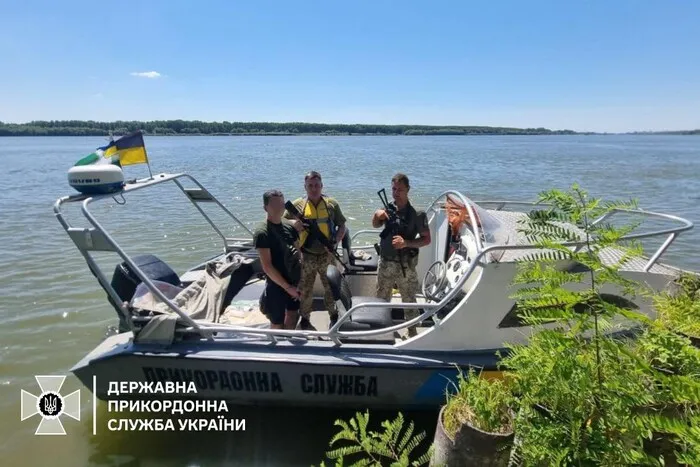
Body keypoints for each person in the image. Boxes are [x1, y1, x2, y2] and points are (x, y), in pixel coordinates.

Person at [285, 171, 347, 330]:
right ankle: (305, 319)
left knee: (331, 289)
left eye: (317, 185)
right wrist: (294, 223)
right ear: (305, 187)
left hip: (327, 255)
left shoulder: (331, 204)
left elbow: (342, 226)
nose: (314, 189)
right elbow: (282, 221)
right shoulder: (298, 205)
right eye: (310, 186)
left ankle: (333, 316)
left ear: (322, 186)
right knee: (306, 290)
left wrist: (335, 241)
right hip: (307, 256)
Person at [372, 173, 431, 337]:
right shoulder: (388, 209)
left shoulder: (418, 215)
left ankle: (412, 332)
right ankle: (381, 332)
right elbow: (375, 224)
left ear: (408, 190)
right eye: (394, 189)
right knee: (381, 299)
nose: (396, 193)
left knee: (409, 301)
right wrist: (377, 215)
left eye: (400, 189)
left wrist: (406, 243)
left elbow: (426, 240)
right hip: (386, 263)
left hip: (406, 265)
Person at [253, 189, 302, 330]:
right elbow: (267, 267)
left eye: (281, 204)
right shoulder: (262, 232)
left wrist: (301, 281)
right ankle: (277, 349)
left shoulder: (289, 226)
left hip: (294, 281)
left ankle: (289, 344)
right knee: (277, 323)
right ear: (265, 208)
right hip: (277, 285)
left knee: (293, 315)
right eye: (274, 205)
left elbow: (299, 254)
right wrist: (288, 288)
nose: (279, 208)